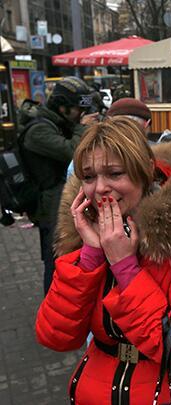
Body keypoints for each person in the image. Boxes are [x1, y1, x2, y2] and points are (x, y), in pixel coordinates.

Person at [35, 117, 171, 404]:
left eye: (114, 173)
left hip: (169, 389)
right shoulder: (85, 233)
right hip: (97, 389)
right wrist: (90, 257)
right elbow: (56, 336)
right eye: (88, 177)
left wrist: (125, 267)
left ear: (145, 171)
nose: (99, 188)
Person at [18, 76, 98, 294]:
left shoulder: (58, 123)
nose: (79, 115)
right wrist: (83, 128)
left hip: (59, 198)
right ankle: (53, 304)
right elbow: (73, 152)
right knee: (55, 259)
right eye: (76, 110)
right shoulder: (38, 131)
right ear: (62, 107)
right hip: (49, 204)